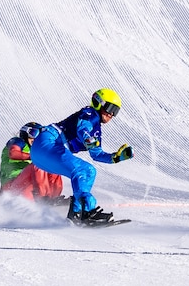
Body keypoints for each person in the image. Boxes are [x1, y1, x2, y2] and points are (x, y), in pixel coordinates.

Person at [31, 88, 134, 224]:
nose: (111, 115)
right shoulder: (90, 113)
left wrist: (116, 157)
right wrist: (87, 139)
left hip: (44, 155)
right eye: (110, 108)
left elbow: (97, 155)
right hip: (49, 141)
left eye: (116, 112)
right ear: (99, 103)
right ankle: (88, 211)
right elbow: (82, 128)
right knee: (80, 169)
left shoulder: (96, 130)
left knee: (90, 171)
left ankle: (76, 213)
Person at [0, 122, 65, 203]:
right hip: (13, 187)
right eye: (34, 133)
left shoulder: (35, 149)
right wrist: (34, 157)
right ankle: (43, 198)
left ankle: (54, 199)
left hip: (27, 189)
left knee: (52, 166)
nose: (36, 138)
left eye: (40, 135)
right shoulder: (18, 141)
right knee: (38, 165)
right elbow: (13, 153)